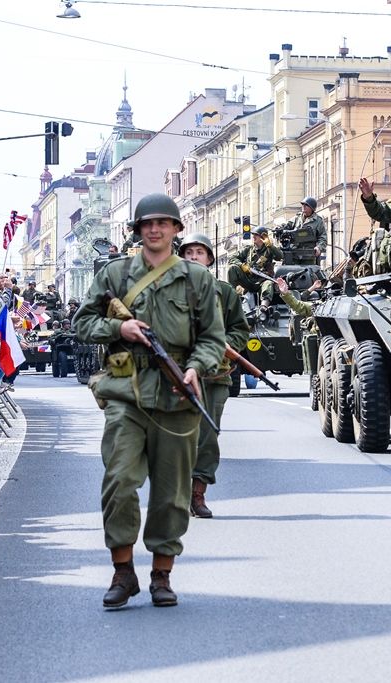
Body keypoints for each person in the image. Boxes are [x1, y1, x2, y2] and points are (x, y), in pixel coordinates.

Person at [73, 193, 224, 610]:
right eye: (147, 224)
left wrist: (196, 368)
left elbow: (213, 337)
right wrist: (119, 331)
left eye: (163, 223)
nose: (155, 230)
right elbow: (82, 323)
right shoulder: (115, 275)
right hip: (126, 391)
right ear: (137, 230)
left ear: (176, 229)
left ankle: (162, 574)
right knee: (120, 481)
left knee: (172, 494)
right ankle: (123, 570)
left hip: (178, 396)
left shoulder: (197, 279)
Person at [178, 233, 249, 519]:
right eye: (189, 253)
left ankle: (197, 494)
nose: (194, 257)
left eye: (200, 252)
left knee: (207, 437)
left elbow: (240, 330)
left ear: (209, 259)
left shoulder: (225, 292)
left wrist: (226, 343)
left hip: (214, 376)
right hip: (177, 376)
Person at [227, 226, 283, 307]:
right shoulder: (248, 249)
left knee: (268, 284)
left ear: (262, 237)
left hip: (262, 280)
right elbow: (232, 258)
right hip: (248, 280)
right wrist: (242, 265)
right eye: (253, 235)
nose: (253, 237)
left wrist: (270, 246)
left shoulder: (269, 250)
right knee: (232, 268)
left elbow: (280, 256)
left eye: (256, 235)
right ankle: (232, 298)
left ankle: (264, 306)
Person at [278, 197, 326, 265]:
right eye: (302, 205)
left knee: (309, 273)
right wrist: (280, 228)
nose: (303, 207)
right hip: (293, 253)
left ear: (312, 208)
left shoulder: (318, 221)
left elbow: (323, 238)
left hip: (308, 255)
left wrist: (319, 247)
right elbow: (287, 226)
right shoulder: (297, 218)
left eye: (306, 205)